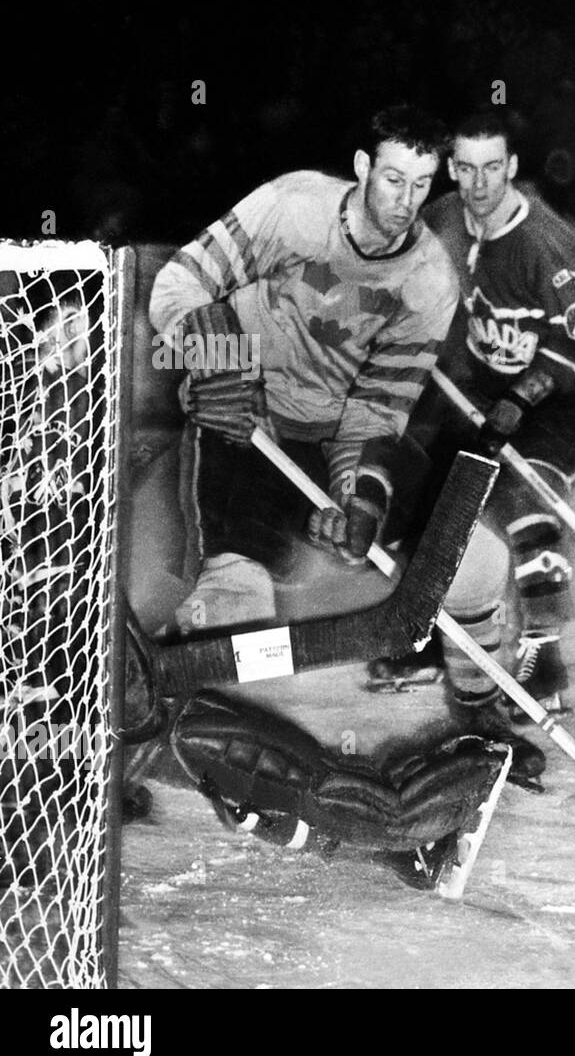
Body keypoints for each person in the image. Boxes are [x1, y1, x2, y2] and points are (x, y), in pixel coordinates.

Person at [148, 104, 545, 785]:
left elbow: (377, 408)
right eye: (392, 179)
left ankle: (480, 713)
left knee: (475, 559)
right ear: (362, 167)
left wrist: (355, 494)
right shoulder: (292, 207)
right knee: (233, 613)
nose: (404, 201)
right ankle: (134, 736)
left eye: (421, 185)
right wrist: (215, 354)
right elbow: (179, 284)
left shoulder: (428, 280)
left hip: (336, 430)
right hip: (245, 421)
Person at [371, 110, 575, 718]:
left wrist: (520, 398)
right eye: (465, 168)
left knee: (521, 489)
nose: (479, 183)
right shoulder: (441, 221)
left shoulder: (547, 244)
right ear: (453, 170)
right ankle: (446, 636)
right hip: (495, 389)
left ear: (511, 168)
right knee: (439, 492)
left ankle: (546, 655)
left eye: (493, 167)